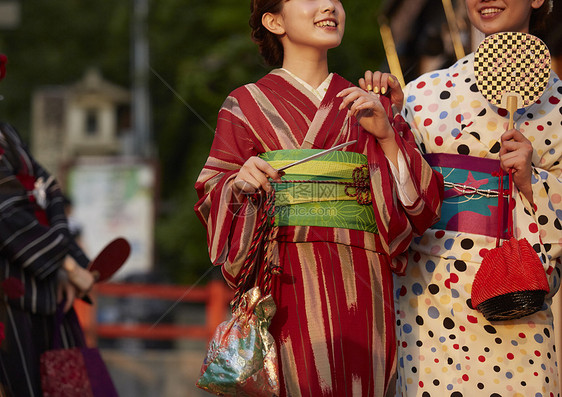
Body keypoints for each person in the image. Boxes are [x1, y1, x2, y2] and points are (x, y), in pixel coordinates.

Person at [194, 0, 443, 395]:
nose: (329, 5)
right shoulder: (244, 106)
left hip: (362, 280)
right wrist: (239, 183)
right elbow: (212, 191)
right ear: (274, 20)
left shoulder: (366, 105)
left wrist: (387, 138)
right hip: (284, 279)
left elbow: (422, 208)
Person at [361, 0, 561, 395]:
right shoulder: (423, 95)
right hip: (426, 308)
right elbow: (391, 201)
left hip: (516, 307)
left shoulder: (558, 107)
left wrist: (532, 180)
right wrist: (390, 133)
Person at [0, 54, 96, 397]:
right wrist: (67, 264)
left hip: (47, 284)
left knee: (76, 388)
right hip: (10, 295)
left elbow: (51, 187)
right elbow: (6, 213)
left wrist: (64, 266)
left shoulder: (7, 133)